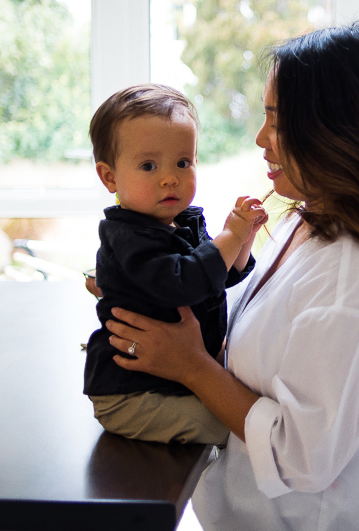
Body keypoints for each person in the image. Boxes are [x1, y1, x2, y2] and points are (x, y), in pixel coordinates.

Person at [101, 22, 359, 530]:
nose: (261, 139)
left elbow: (300, 458)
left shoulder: (348, 282)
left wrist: (192, 366)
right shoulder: (304, 221)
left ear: (340, 134)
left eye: (277, 122)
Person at [83, 83, 268, 445]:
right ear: (110, 177)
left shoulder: (179, 222)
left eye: (183, 162)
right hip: (131, 392)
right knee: (227, 431)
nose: (170, 178)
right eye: (149, 166)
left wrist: (242, 243)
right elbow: (184, 282)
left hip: (172, 377)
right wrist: (229, 235)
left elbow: (219, 276)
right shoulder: (128, 237)